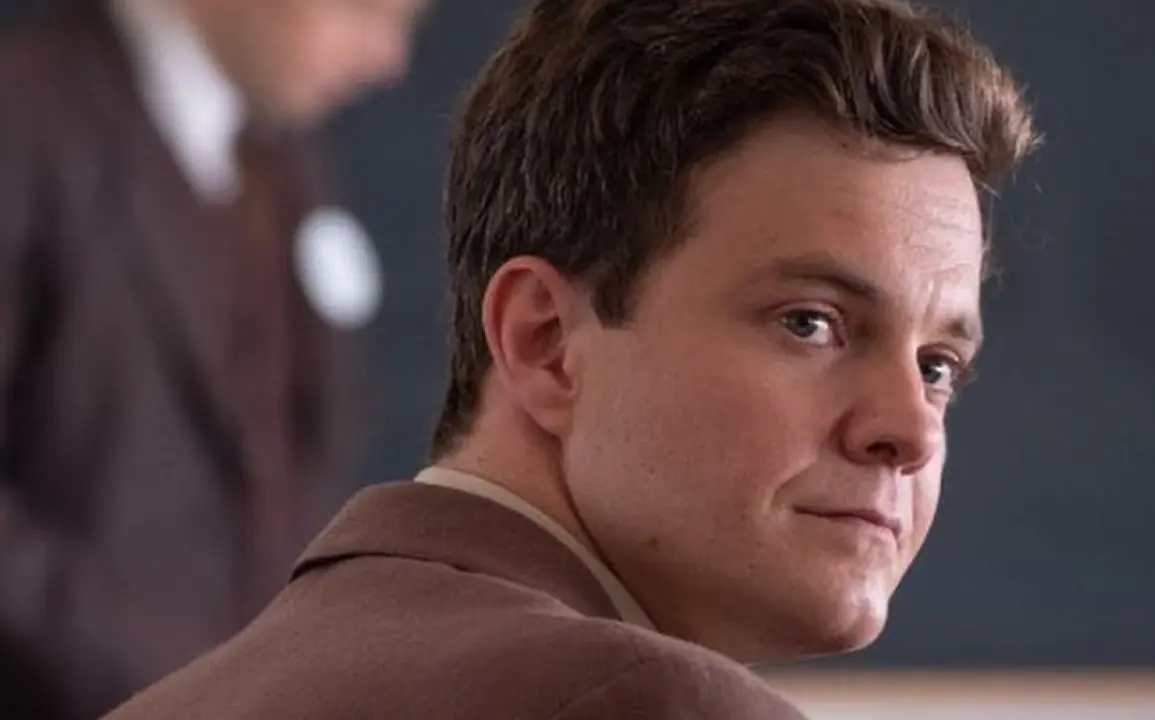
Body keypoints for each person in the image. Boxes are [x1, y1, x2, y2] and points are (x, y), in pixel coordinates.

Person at [108, 0, 1039, 717]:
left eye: (938, 367)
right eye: (811, 322)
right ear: (545, 342)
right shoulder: (652, 704)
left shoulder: (173, 704)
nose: (910, 432)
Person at [0, 0, 430, 717]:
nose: (389, 60)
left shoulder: (278, 146)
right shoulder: (22, 120)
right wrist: (165, 680)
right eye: (363, 9)